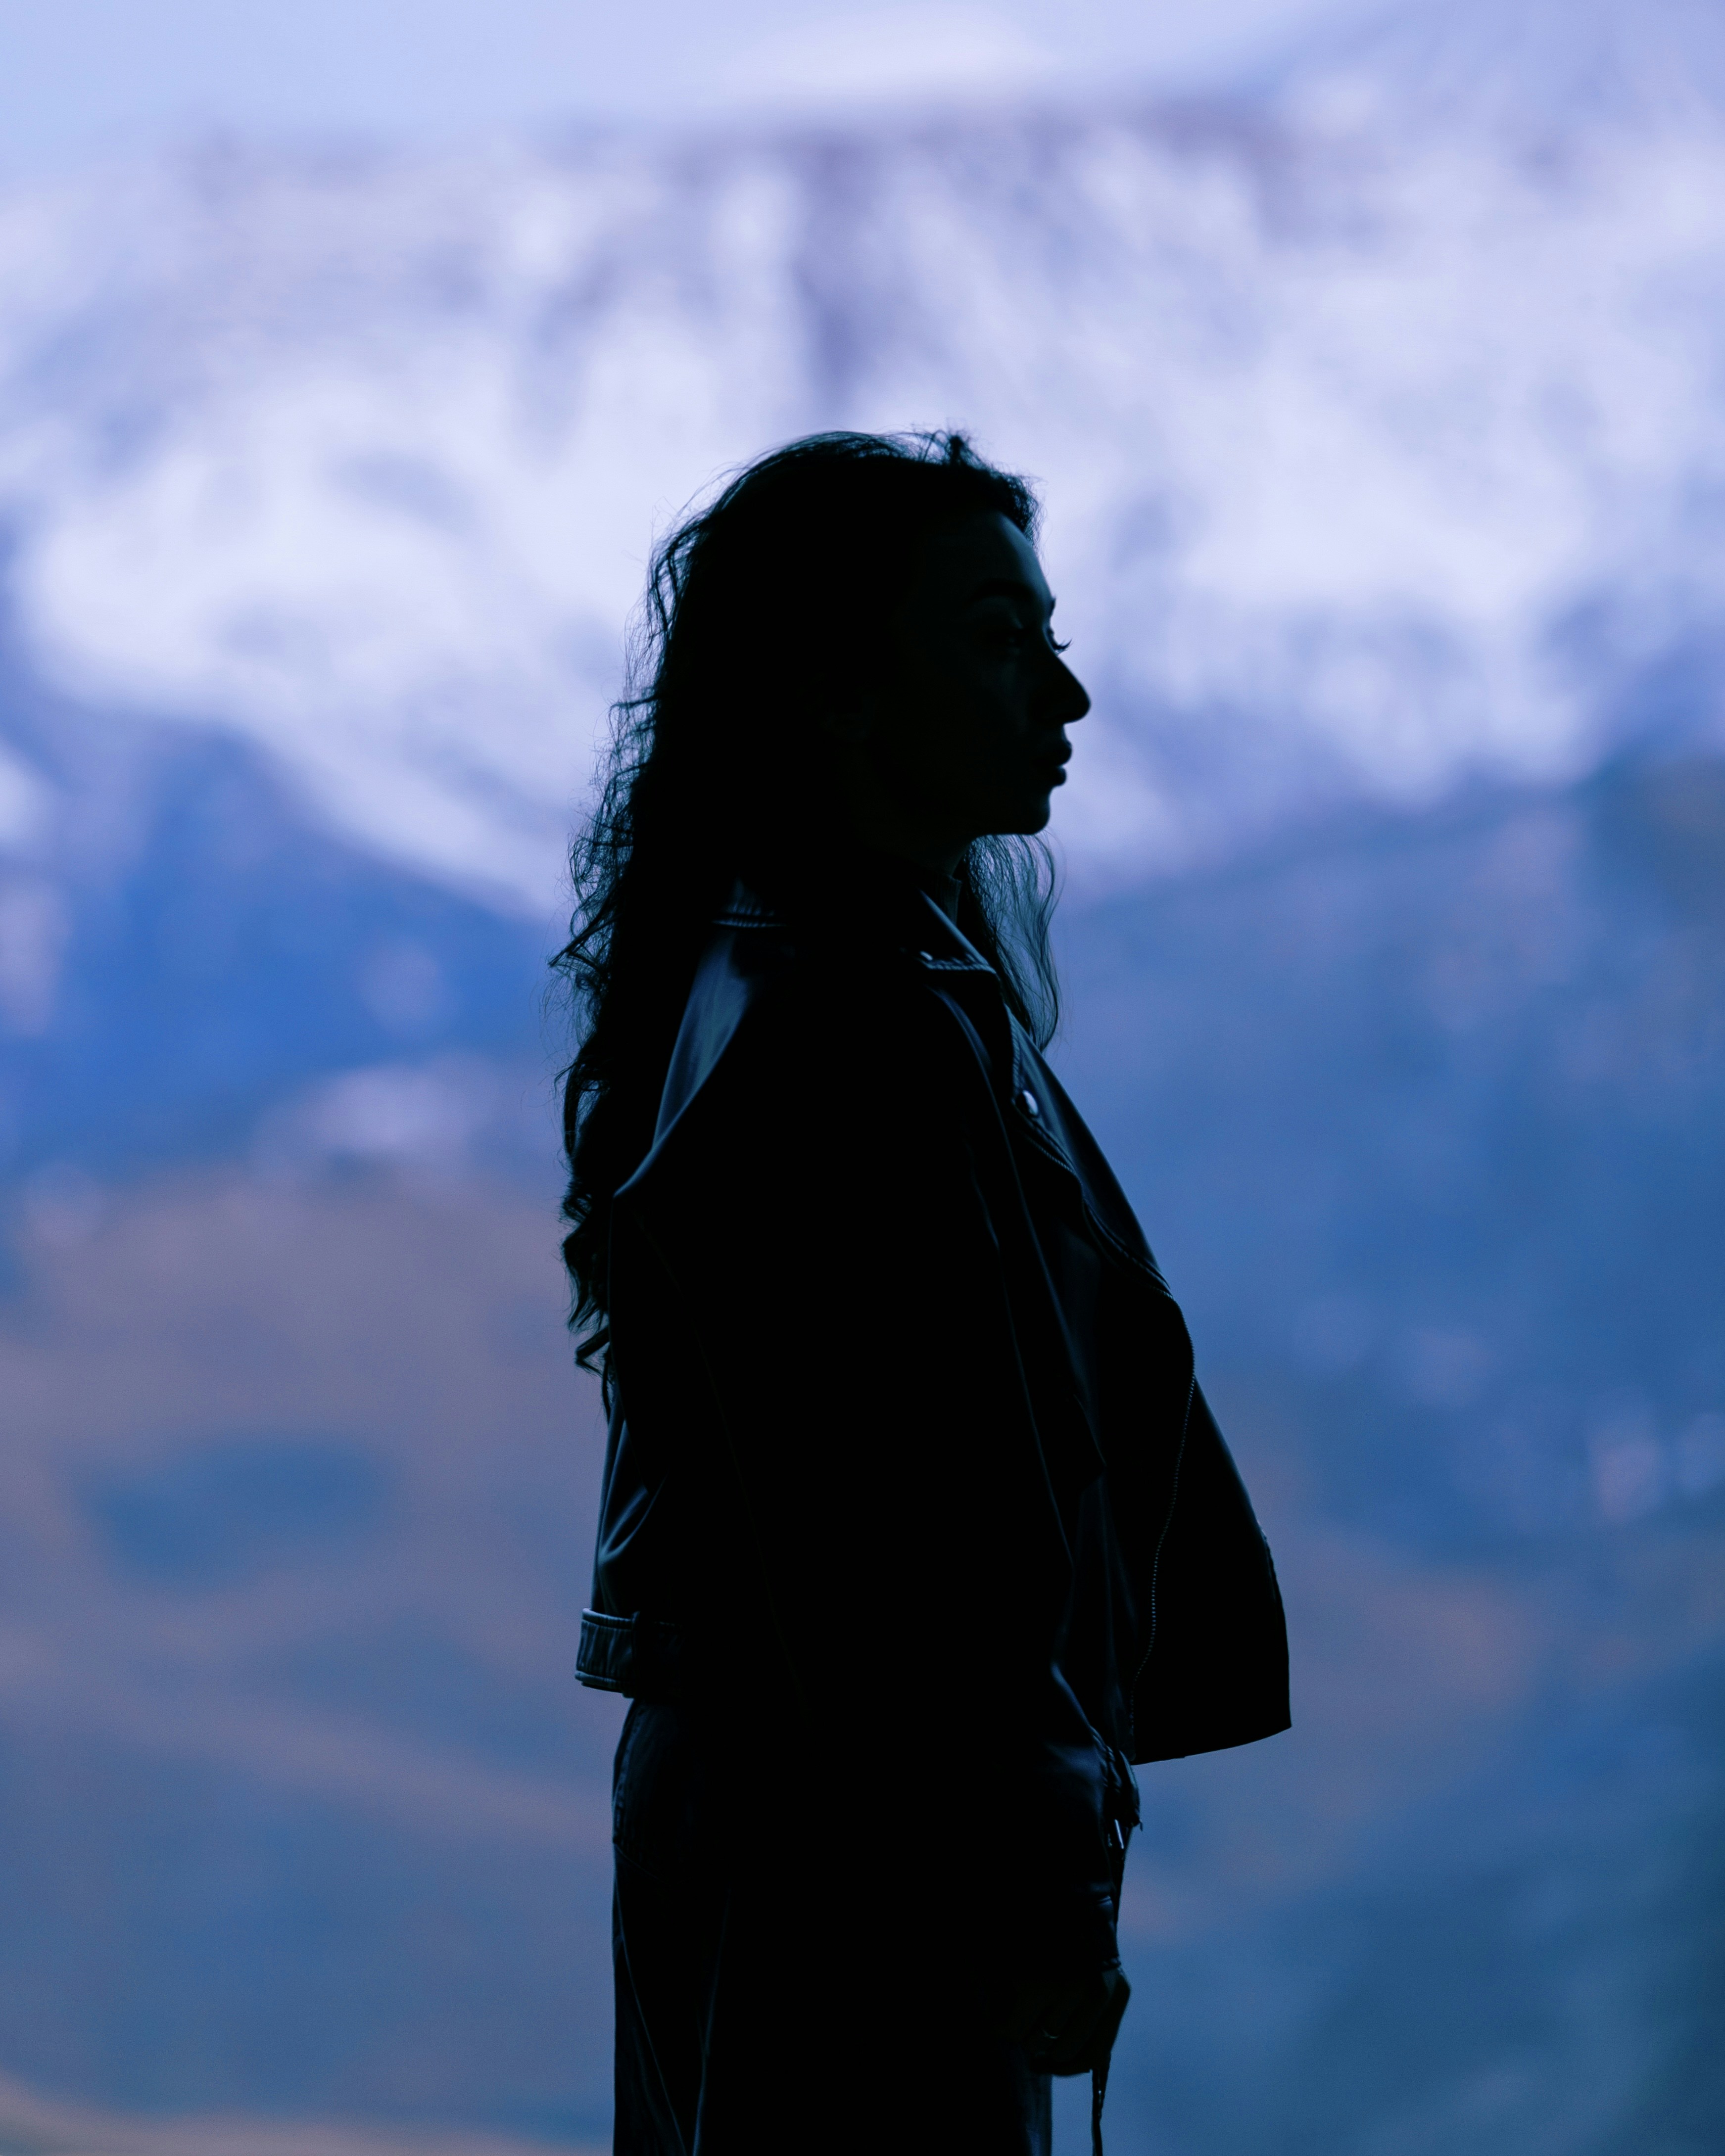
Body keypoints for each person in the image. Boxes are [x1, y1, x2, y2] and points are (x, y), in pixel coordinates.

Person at [557, 431, 1289, 2156]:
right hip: (857, 1849)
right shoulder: (847, 1024)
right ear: (835, 693)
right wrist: (1028, 1868)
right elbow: (898, 1530)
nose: (1067, 692)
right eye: (995, 639)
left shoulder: (845, 976)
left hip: (816, 1816)